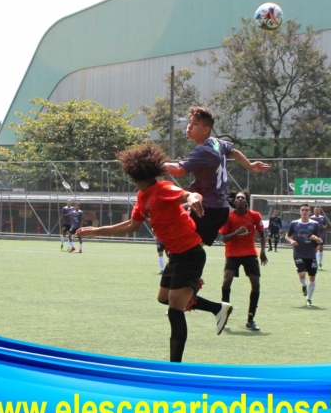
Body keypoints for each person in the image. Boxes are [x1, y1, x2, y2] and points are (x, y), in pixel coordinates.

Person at [77, 142, 233, 363]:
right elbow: (132, 225)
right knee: (163, 298)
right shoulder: (142, 197)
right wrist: (97, 231)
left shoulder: (163, 189)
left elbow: (189, 195)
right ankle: (218, 308)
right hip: (176, 256)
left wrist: (192, 199)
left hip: (190, 254)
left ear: (135, 175)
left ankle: (174, 367)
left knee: (175, 310)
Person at [163, 106, 270, 247]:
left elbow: (179, 169)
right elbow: (235, 152)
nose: (189, 126)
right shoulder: (216, 142)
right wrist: (249, 166)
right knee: (191, 248)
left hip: (207, 208)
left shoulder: (204, 150)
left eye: (195, 124)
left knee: (182, 247)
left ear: (206, 130)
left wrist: (151, 165)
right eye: (190, 122)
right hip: (220, 209)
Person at [219, 190, 268, 331]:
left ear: (246, 201)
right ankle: (224, 315)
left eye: (242, 198)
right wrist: (237, 232)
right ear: (234, 202)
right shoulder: (228, 217)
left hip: (249, 253)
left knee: (256, 284)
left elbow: (262, 234)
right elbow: (224, 238)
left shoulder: (255, 215)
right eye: (238, 198)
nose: (240, 199)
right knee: (226, 281)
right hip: (232, 254)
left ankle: (251, 319)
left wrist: (263, 252)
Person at [285, 203, 323, 307]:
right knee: (302, 274)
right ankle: (304, 284)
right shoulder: (294, 223)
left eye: (306, 210)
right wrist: (291, 241)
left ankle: (309, 299)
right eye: (303, 210)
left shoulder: (315, 224)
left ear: (310, 212)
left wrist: (316, 239)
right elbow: (287, 236)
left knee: (312, 277)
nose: (304, 212)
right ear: (300, 211)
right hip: (298, 253)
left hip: (311, 254)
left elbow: (320, 241)